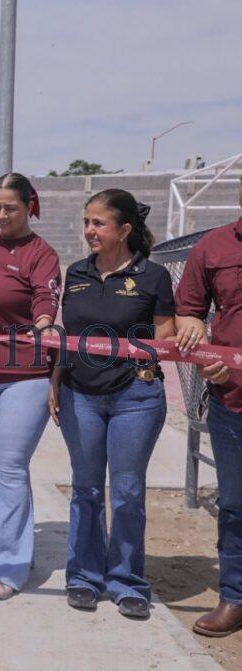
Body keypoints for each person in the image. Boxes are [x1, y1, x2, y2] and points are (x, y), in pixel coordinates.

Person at [49, 190, 173, 619]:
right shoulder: (77, 272)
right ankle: (83, 576)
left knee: (127, 493)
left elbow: (166, 339)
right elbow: (67, 334)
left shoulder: (153, 276)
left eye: (98, 223)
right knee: (85, 490)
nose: (89, 231)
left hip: (134, 399)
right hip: (80, 396)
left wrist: (178, 342)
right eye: (87, 222)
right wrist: (56, 382)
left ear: (124, 230)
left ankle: (126, 580)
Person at [0, 172, 61, 600]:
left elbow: (45, 298)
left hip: (27, 375)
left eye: (10, 208)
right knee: (7, 465)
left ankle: (4, 562)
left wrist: (42, 323)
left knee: (10, 468)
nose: (1, 215)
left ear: (29, 207)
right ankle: (13, 541)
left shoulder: (42, 253)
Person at [176, 177, 242, 637]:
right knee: (236, 505)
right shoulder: (213, 247)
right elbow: (189, 313)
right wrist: (205, 354)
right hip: (233, 400)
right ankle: (235, 596)